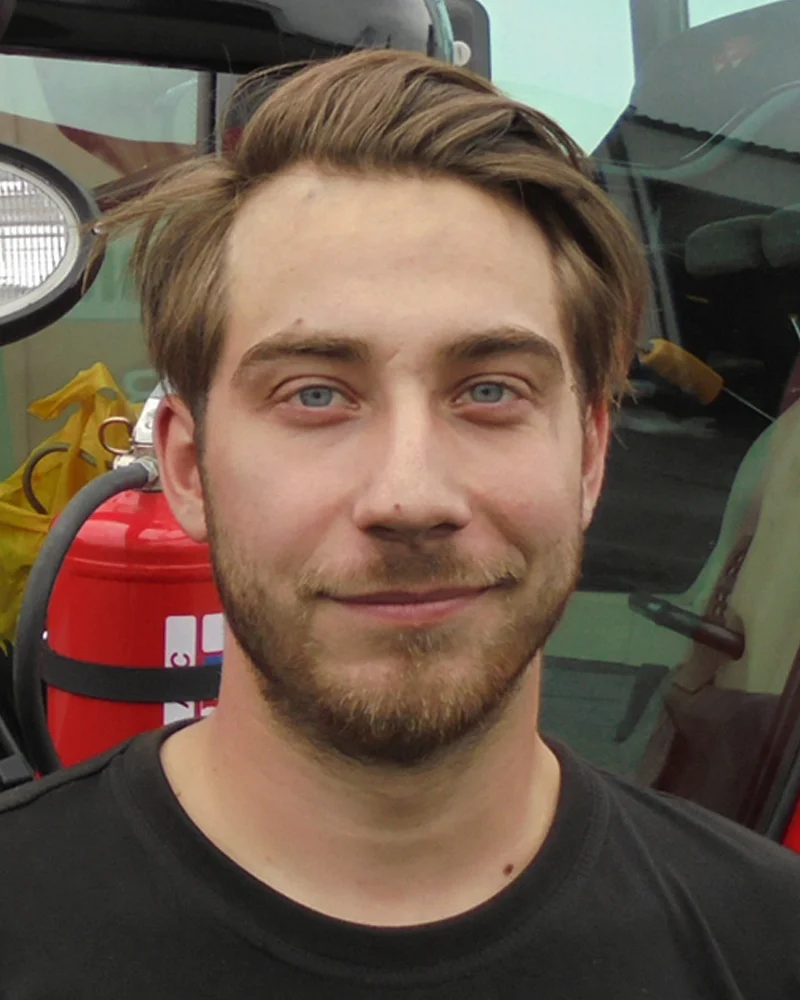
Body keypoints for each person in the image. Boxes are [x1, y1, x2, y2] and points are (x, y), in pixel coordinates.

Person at [0, 48, 798, 998]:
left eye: (491, 390)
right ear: (186, 468)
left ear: (589, 456)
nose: (410, 497)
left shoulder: (767, 945)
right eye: (315, 394)